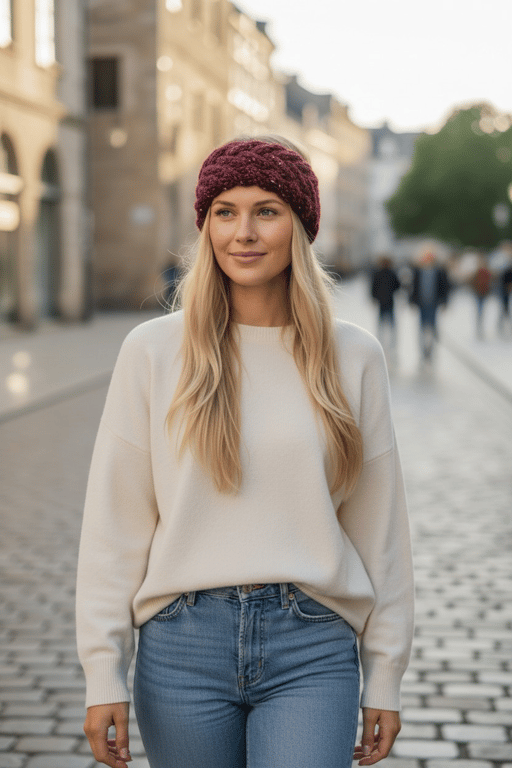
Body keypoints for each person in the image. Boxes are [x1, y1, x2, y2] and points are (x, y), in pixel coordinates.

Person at [76, 136, 414, 768]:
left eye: (267, 210)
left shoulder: (354, 355)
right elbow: (114, 524)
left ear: (300, 226)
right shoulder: (153, 351)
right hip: (181, 646)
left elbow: (381, 529)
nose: (244, 232)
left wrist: (386, 675)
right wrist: (103, 671)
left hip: (312, 644)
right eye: (225, 211)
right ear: (205, 227)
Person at [409, 250, 450, 361]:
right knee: (422, 328)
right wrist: (412, 301)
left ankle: (431, 350)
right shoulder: (418, 271)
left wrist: (445, 302)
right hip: (422, 304)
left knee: (432, 328)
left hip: (433, 304)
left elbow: (445, 287)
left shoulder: (439, 272)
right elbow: (413, 287)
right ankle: (423, 351)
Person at [370, 254, 401, 350]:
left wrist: (375, 297)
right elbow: (398, 286)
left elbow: (373, 287)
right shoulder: (392, 273)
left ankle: (380, 342)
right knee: (391, 325)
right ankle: (392, 344)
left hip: (381, 302)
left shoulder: (377, 273)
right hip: (389, 301)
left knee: (381, 325)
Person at [469, 255, 492, 339]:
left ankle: (480, 328)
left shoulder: (487, 272)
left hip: (484, 293)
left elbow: (489, 283)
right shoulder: (476, 272)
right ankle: (478, 328)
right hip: (478, 293)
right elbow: (472, 282)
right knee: (479, 310)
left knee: (482, 310)